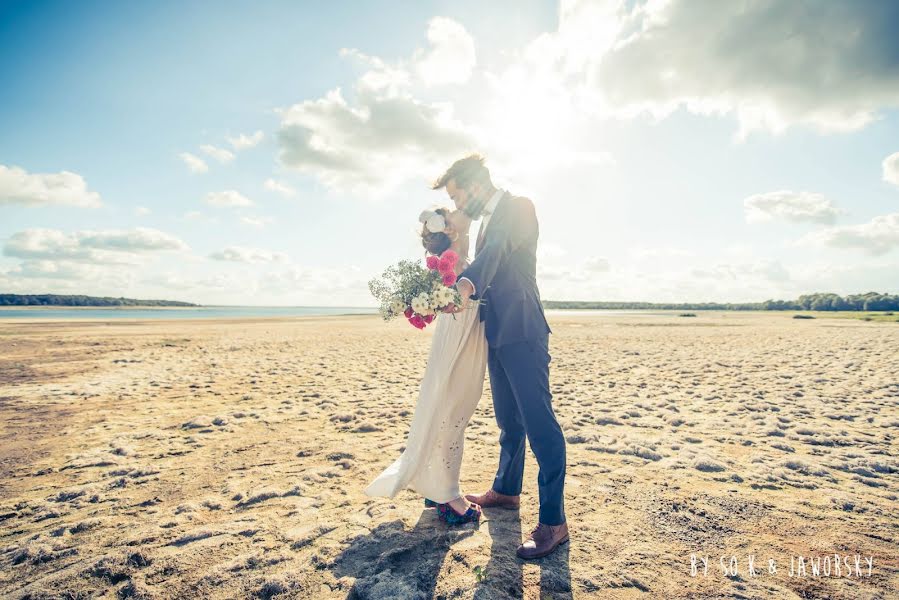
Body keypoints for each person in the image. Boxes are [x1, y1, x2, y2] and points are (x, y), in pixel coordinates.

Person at [437, 154, 569, 559]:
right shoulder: (483, 223)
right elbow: (486, 254)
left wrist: (464, 284)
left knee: (539, 422)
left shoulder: (518, 208)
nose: (459, 207)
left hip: (524, 331)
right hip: (496, 333)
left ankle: (553, 522)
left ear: (475, 186)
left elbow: (493, 255)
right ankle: (507, 491)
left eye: (459, 197)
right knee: (509, 422)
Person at [364, 207, 486, 525]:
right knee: (453, 410)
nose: (465, 211)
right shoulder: (453, 262)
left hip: (462, 335)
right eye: (456, 212)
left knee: (449, 407)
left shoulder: (455, 260)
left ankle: (436, 487)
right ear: (453, 230)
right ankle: (447, 494)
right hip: (460, 337)